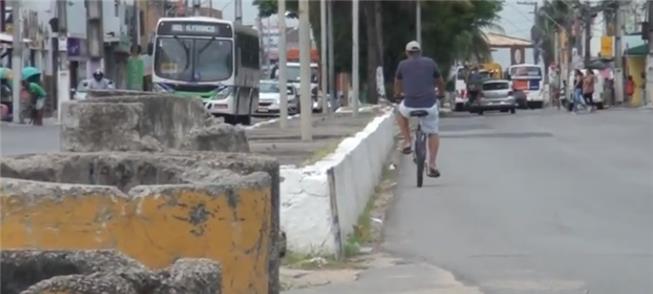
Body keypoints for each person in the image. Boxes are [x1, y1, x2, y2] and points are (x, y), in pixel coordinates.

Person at [393, 41, 445, 178]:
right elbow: (440, 81)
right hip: (429, 105)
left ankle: (408, 141)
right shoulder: (430, 62)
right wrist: (441, 93)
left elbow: (397, 83)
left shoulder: (402, 65)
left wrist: (397, 96)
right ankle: (432, 164)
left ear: (407, 53)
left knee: (399, 113)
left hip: (409, 105)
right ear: (420, 52)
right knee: (433, 131)